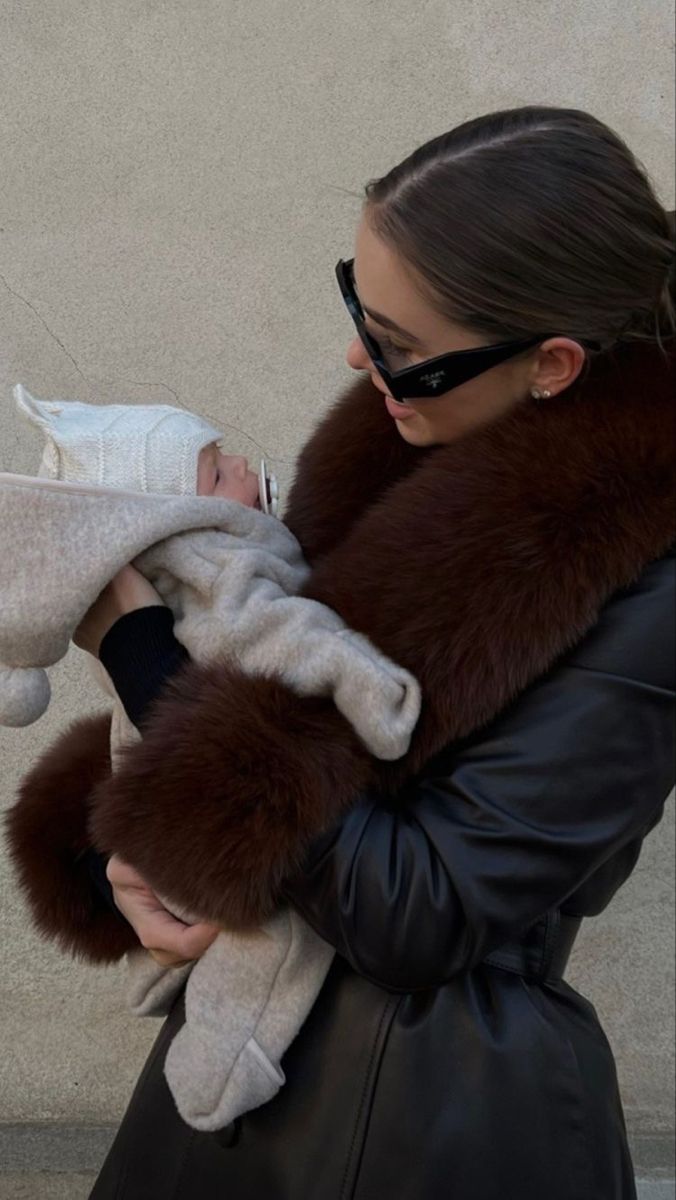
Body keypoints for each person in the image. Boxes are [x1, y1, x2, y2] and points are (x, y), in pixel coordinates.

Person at [5, 105, 675, 1199]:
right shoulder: (406, 444)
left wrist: (140, 650)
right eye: (358, 303)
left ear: (551, 364)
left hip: (427, 1118)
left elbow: (425, 907)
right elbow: (280, 715)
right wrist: (133, 855)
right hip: (255, 1078)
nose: (356, 354)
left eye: (404, 350)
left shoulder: (646, 580)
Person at [2, 390, 421, 1131]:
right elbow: (274, 631)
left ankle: (172, 994)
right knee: (270, 942)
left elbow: (421, 891)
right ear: (171, 506)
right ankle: (224, 1060)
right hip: (254, 817)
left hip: (385, 1028)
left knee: (237, 917)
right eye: (216, 467)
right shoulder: (213, 556)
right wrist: (367, 683)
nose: (241, 465)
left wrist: (145, 668)